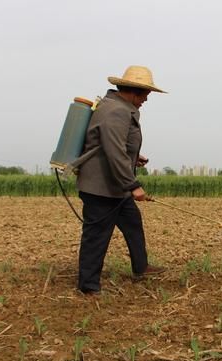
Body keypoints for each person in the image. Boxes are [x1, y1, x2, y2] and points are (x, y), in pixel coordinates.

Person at [76, 65, 166, 295]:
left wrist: (134, 157)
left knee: (132, 222)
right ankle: (88, 287)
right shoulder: (116, 111)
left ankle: (141, 266)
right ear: (134, 91)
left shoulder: (118, 107)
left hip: (114, 186)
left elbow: (112, 145)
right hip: (102, 188)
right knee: (97, 236)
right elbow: (113, 151)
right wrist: (133, 185)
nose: (147, 98)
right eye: (146, 93)